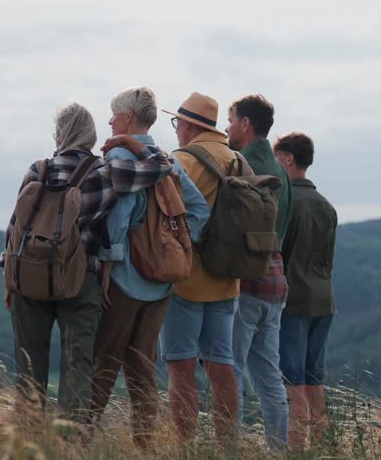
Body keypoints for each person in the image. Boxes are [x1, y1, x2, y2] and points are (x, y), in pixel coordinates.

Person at [0, 102, 173, 427]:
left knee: (28, 367)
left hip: (30, 278)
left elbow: (16, 228)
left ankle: (27, 443)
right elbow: (162, 166)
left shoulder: (38, 170)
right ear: (91, 136)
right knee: (78, 365)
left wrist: (9, 278)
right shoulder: (104, 173)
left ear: (60, 134)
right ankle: (71, 444)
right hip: (81, 280)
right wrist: (129, 143)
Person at [89, 87, 210, 447]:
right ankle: (145, 447)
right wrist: (177, 244)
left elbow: (122, 214)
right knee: (142, 369)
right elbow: (199, 210)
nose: (109, 121)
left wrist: (109, 264)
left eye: (113, 115)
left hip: (126, 279)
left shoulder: (121, 154)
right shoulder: (166, 159)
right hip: (162, 282)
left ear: (127, 118)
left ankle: (75, 444)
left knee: (103, 363)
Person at [159, 92, 245, 441]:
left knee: (180, 367)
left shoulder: (182, 160)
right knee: (221, 366)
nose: (177, 130)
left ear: (190, 125)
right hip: (227, 279)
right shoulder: (238, 161)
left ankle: (186, 447)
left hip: (186, 281)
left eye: (179, 123)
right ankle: (225, 446)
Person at [225, 94, 292, 450]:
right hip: (277, 278)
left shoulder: (242, 163)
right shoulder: (282, 169)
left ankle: (228, 448)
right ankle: (278, 450)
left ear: (246, 124)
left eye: (231, 119)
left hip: (249, 278)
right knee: (269, 376)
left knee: (230, 368)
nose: (227, 126)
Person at [273, 132, 337, 450]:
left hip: (293, 302)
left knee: (291, 383)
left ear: (287, 159)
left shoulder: (286, 201)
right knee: (315, 382)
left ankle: (296, 451)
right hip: (323, 301)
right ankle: (325, 450)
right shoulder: (326, 207)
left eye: (275, 157)